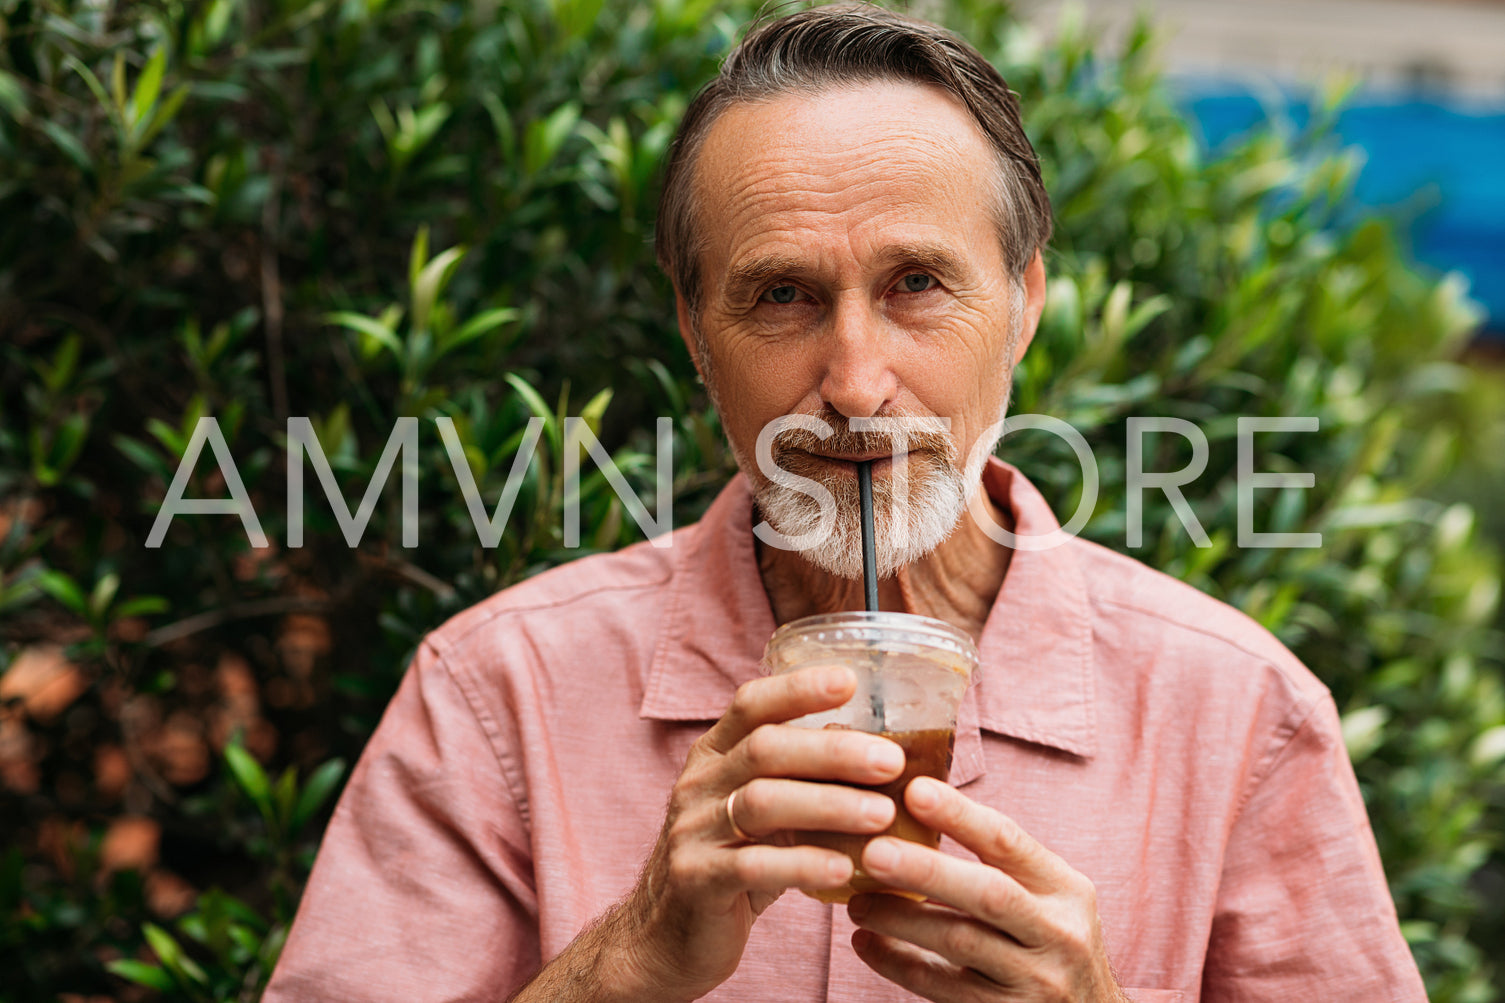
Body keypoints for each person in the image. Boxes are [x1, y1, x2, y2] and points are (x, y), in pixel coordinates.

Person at [264, 5, 1427, 1001]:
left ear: (1021, 304)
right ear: (693, 330)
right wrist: (630, 959)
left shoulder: (1239, 712)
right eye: (780, 295)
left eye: (916, 284)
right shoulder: (494, 694)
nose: (855, 384)